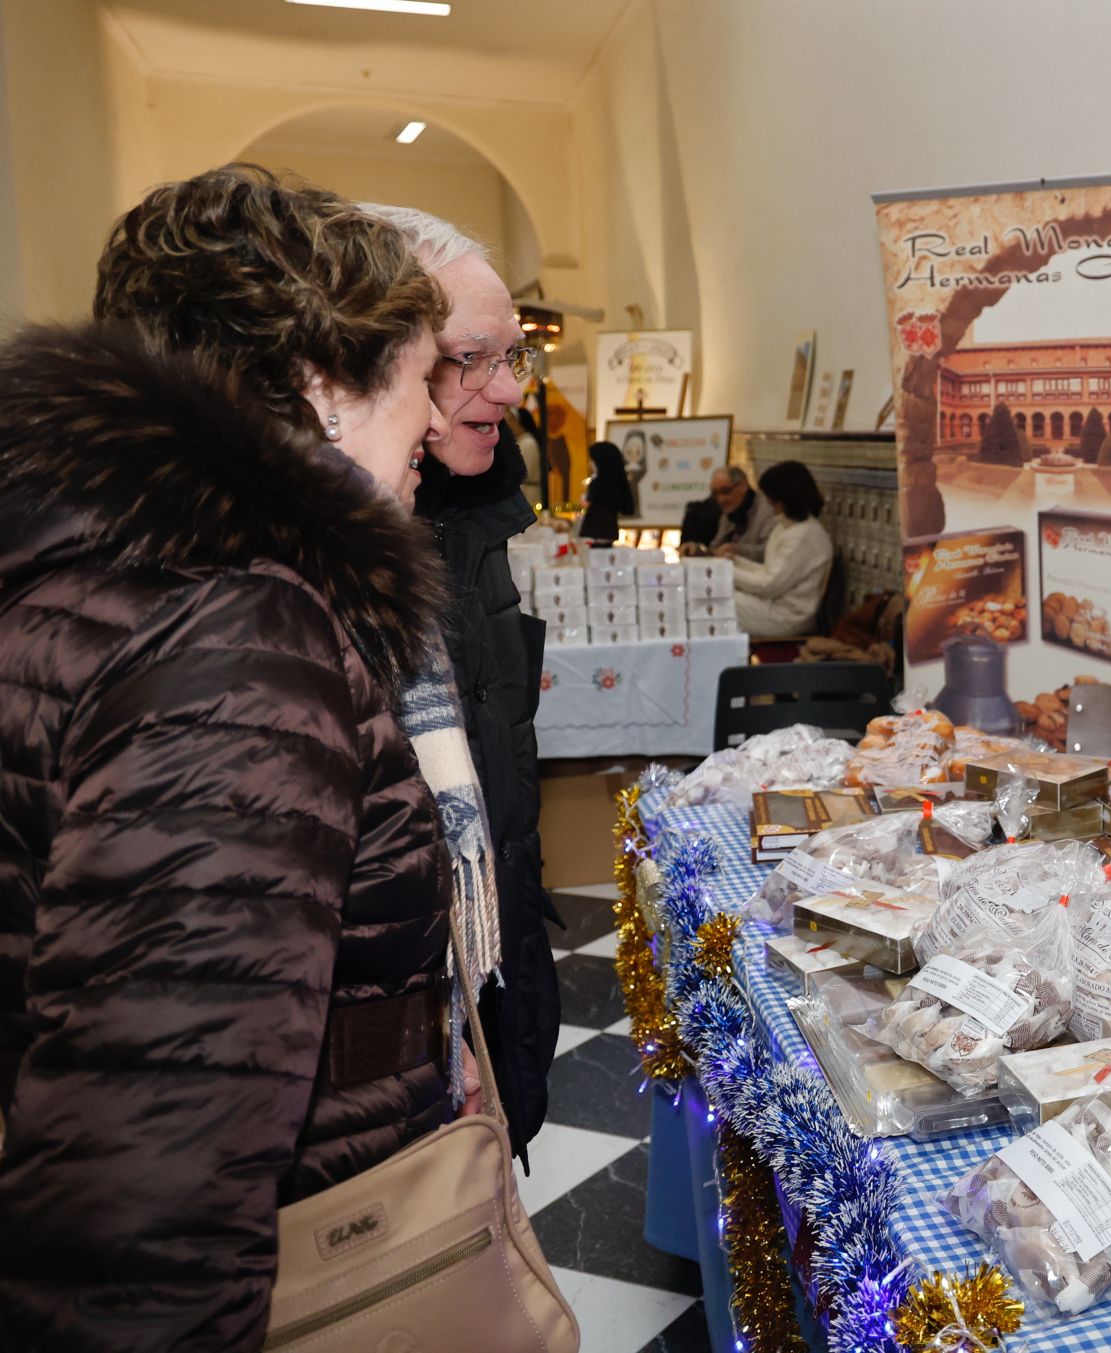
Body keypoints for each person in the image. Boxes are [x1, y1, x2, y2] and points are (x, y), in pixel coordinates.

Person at [0, 166, 467, 1348]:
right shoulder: (237, 637)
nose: (433, 418)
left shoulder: (109, 570)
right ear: (321, 386)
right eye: (423, 377)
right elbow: (152, 1173)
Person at [363, 203, 561, 1168]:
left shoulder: (480, 516)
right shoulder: (346, 553)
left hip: (499, 974)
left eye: (514, 357)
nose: (508, 390)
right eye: (471, 359)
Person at [729, 459, 834, 635]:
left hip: (788, 616)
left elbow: (769, 585)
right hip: (772, 604)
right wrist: (735, 562)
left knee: (716, 604)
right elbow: (769, 571)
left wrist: (728, 572)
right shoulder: (785, 526)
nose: (769, 505)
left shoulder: (805, 535)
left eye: (771, 500)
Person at [705, 463, 778, 561]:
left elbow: (770, 552)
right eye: (715, 494)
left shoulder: (768, 509)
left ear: (743, 486)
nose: (720, 499)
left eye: (726, 491)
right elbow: (716, 547)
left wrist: (736, 550)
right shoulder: (729, 512)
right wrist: (698, 550)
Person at [578, 439, 635, 545]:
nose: (591, 463)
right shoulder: (617, 483)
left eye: (593, 460)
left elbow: (589, 502)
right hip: (610, 530)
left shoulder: (598, 483)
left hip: (594, 530)